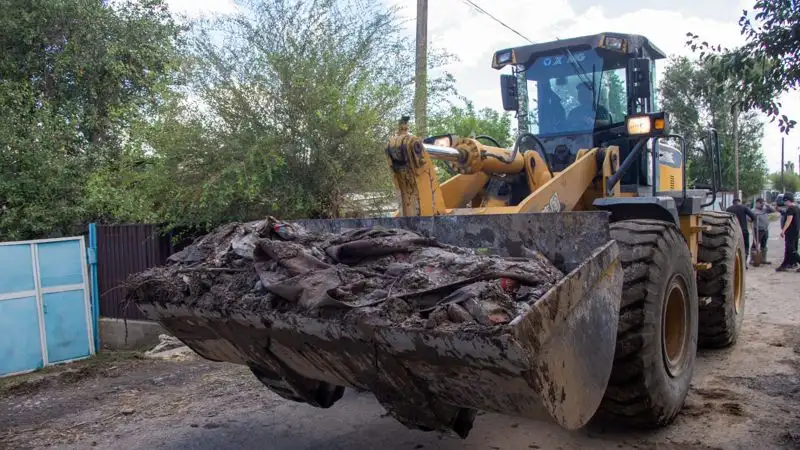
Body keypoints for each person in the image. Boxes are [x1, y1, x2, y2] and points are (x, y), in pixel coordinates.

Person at [726, 198, 756, 264]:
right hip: (743, 231)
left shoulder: (729, 209)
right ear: (739, 202)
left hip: (733, 232)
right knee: (745, 246)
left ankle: (735, 263)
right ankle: (744, 263)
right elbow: (753, 216)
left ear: (733, 203)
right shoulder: (744, 207)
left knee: (734, 247)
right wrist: (750, 221)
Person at [776, 193, 800, 272]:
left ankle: (790, 263)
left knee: (791, 249)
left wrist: (783, 231)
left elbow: (789, 220)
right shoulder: (797, 208)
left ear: (788, 201)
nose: (784, 203)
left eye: (785, 201)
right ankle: (785, 264)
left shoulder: (791, 209)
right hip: (796, 231)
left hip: (790, 231)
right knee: (789, 248)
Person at [752, 198, 775, 264]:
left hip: (765, 229)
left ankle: (763, 259)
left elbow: (773, 210)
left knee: (764, 245)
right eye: (760, 203)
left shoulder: (765, 210)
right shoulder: (753, 211)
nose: (762, 205)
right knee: (755, 244)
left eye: (762, 203)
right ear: (757, 203)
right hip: (758, 230)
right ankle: (753, 260)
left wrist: (767, 204)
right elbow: (749, 220)